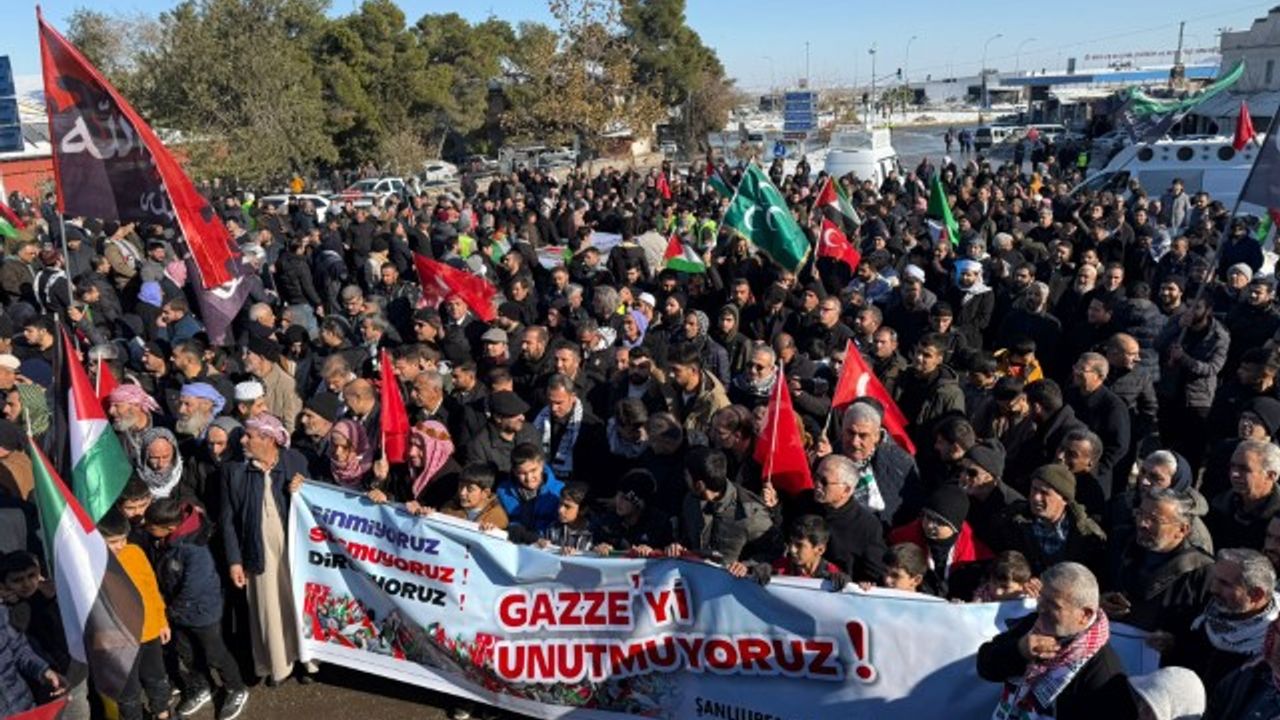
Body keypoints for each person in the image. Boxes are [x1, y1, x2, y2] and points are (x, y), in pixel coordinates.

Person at [218, 414, 316, 686]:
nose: (243, 441)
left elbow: (315, 501)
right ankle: (279, 665)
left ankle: (308, 661)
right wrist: (234, 561)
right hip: (257, 550)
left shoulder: (295, 460)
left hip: (293, 550)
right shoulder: (233, 470)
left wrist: (302, 487)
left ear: (269, 439)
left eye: (249, 436)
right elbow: (227, 520)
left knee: (299, 604)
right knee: (268, 608)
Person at [977, 562, 1134, 720]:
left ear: (1085, 615)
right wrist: (1019, 651)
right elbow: (984, 666)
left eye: (1053, 605)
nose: (1041, 608)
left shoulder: (1104, 672)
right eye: (1041, 598)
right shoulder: (1033, 624)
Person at [144, 498, 249, 720]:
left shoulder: (194, 549)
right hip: (179, 610)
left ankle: (235, 687)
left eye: (152, 527)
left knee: (215, 653)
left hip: (201, 612)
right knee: (187, 652)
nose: (147, 529)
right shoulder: (166, 541)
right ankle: (203, 685)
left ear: (170, 528)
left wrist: (170, 611)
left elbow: (193, 588)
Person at [1165, 548, 1280, 690]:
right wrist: (1171, 645)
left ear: (1256, 594)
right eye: (1215, 579)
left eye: (1225, 584)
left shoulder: (1271, 648)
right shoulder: (1204, 607)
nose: (1213, 589)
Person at [99, 508, 172, 720]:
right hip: (120, 642)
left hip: (149, 631)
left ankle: (163, 713)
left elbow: (152, 588)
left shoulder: (135, 553)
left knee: (156, 677)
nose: (121, 545)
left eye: (123, 539)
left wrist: (161, 620)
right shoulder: (92, 566)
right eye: (113, 542)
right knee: (128, 690)